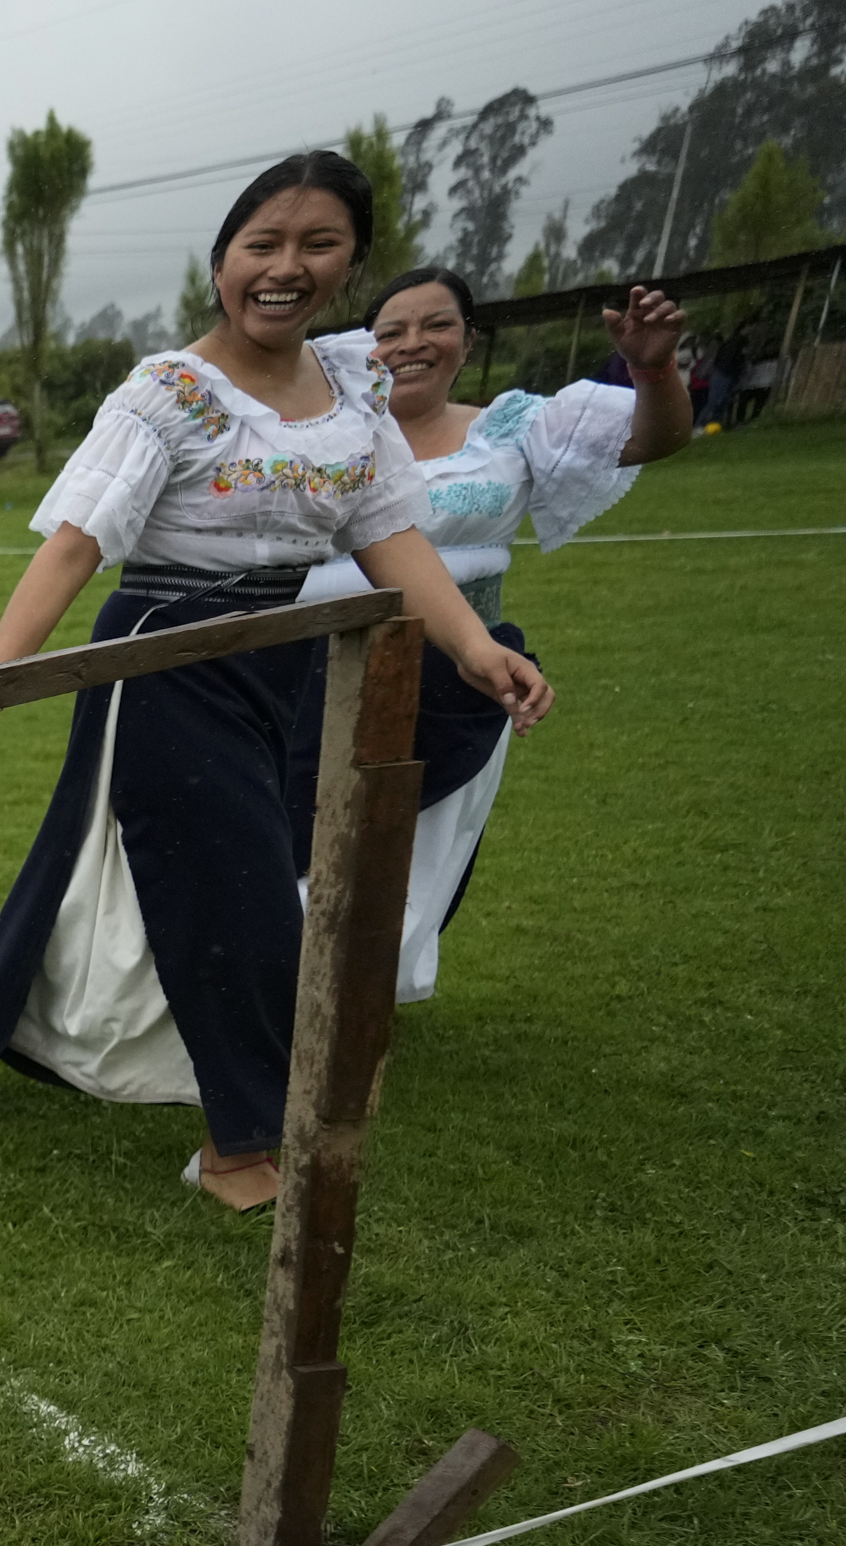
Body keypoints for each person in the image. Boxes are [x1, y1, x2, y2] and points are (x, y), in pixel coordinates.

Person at [0, 152, 552, 1213]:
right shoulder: (167, 393)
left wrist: (471, 648)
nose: (284, 268)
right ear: (220, 260)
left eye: (317, 245)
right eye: (261, 244)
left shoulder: (352, 390)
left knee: (97, 878)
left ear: (348, 261)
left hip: (277, 664)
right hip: (162, 659)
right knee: (247, 895)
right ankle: (240, 1146)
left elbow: (388, 531)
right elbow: (73, 548)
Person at [289, 270, 691, 1001]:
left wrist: (653, 366)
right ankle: (274, 988)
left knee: (405, 853)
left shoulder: (510, 427)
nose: (412, 344)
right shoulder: (321, 438)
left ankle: (349, 1004)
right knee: (296, 839)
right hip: (308, 673)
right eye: (391, 331)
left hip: (451, 678)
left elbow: (652, 437)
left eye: (436, 325)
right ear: (360, 349)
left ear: (468, 341)